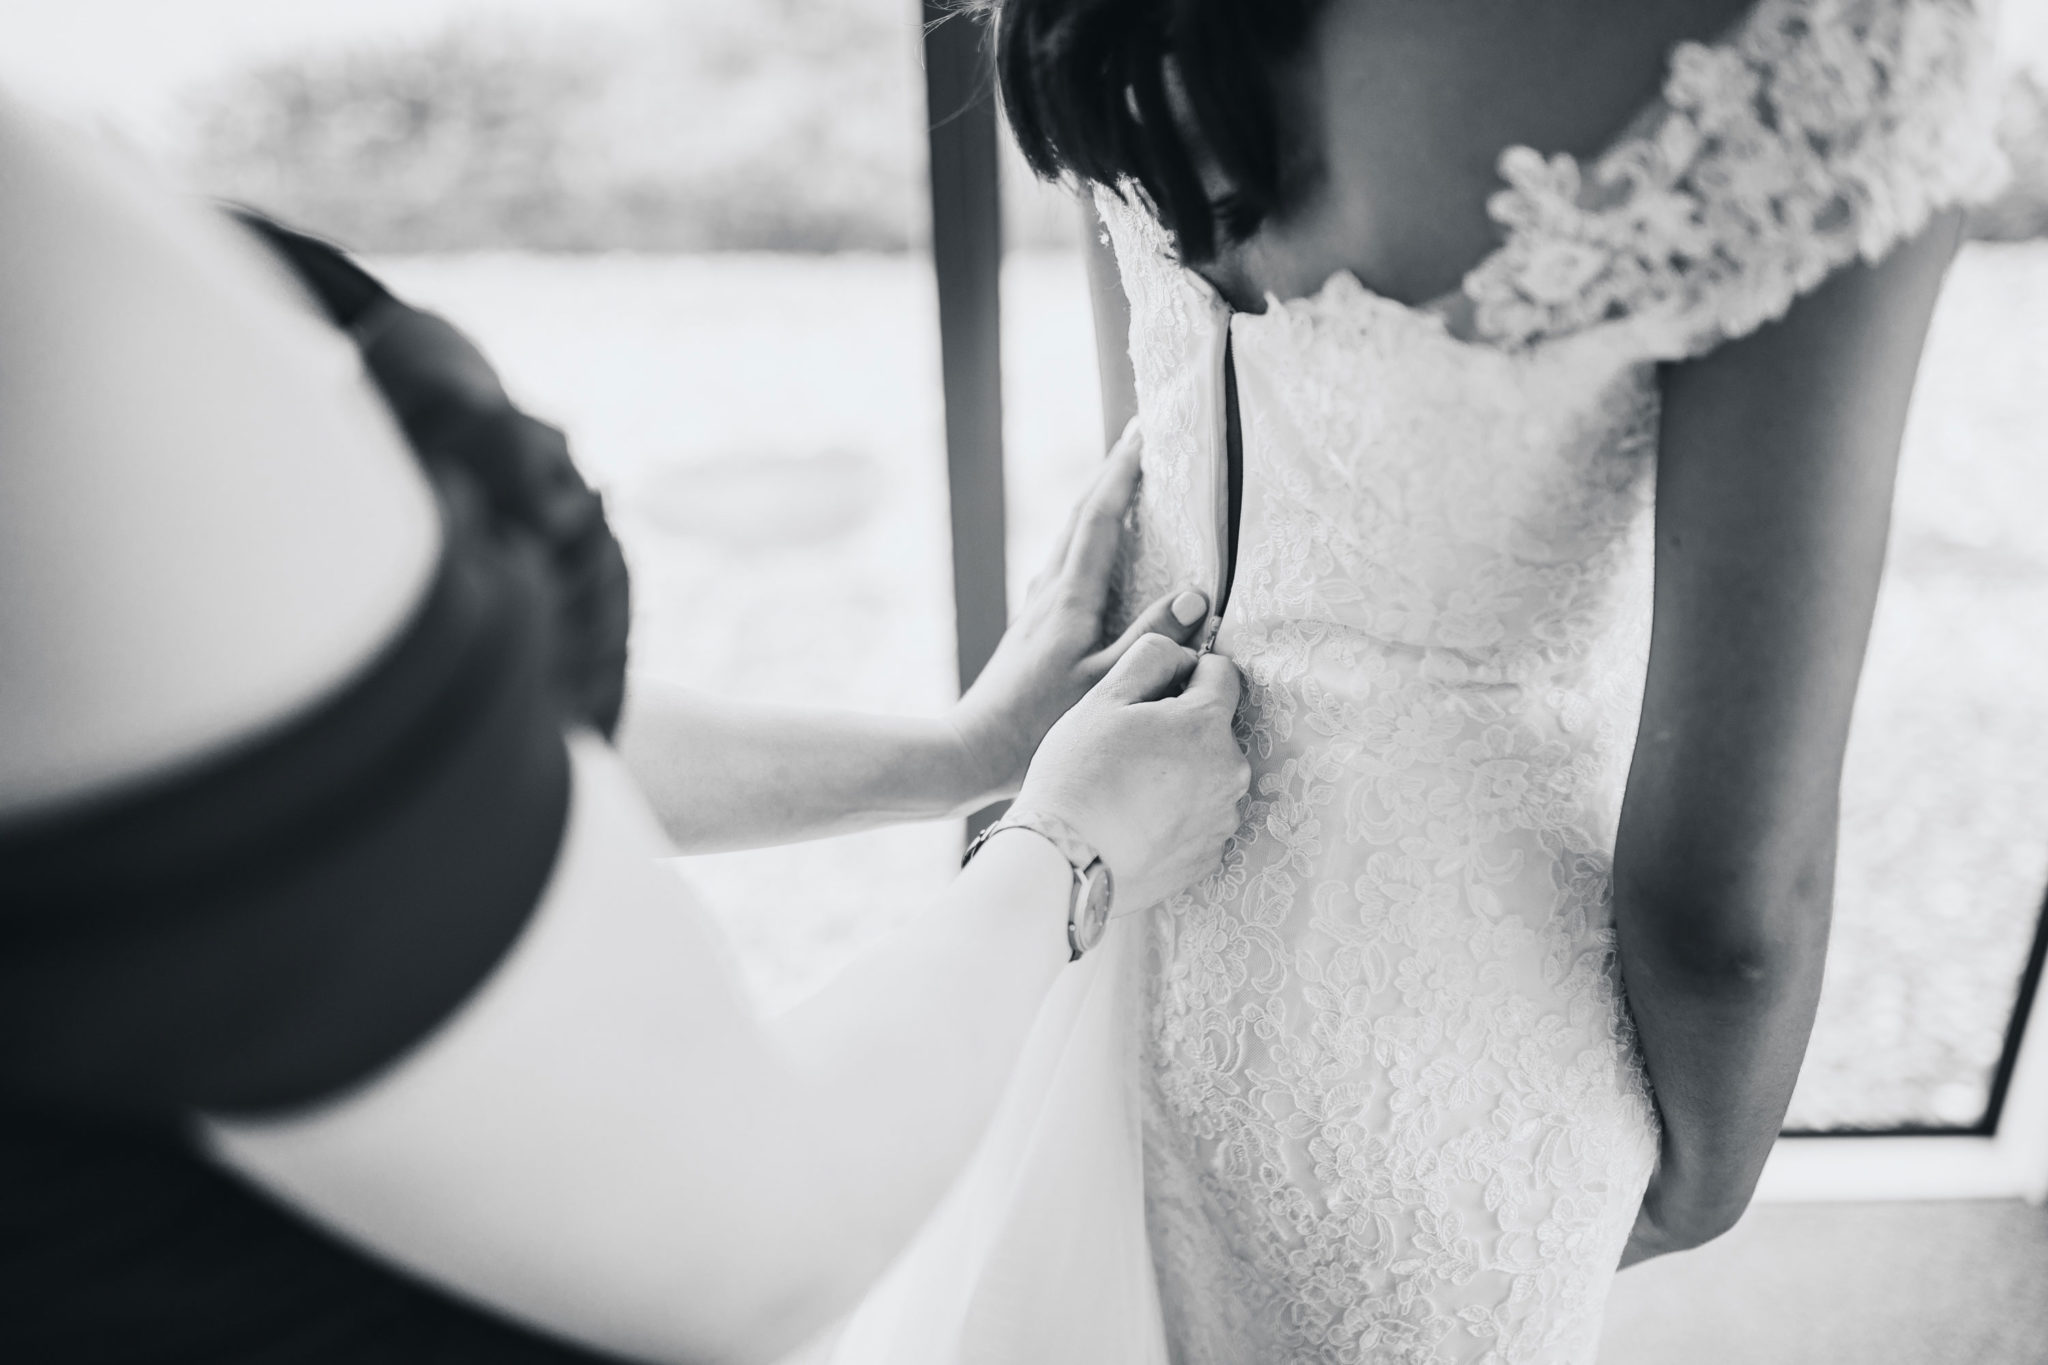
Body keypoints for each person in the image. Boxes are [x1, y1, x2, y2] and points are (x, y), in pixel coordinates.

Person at [819, 1, 2011, 1362]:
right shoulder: (1833, 47)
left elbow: (1159, 468)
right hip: (1438, 1084)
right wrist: (1702, 1180)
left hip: (1123, 880)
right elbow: (1721, 909)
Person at [0, 97, 1252, 1364]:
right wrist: (1064, 853)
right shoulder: (38, 308)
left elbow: (417, 771)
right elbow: (747, 1240)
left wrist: (958, 756)